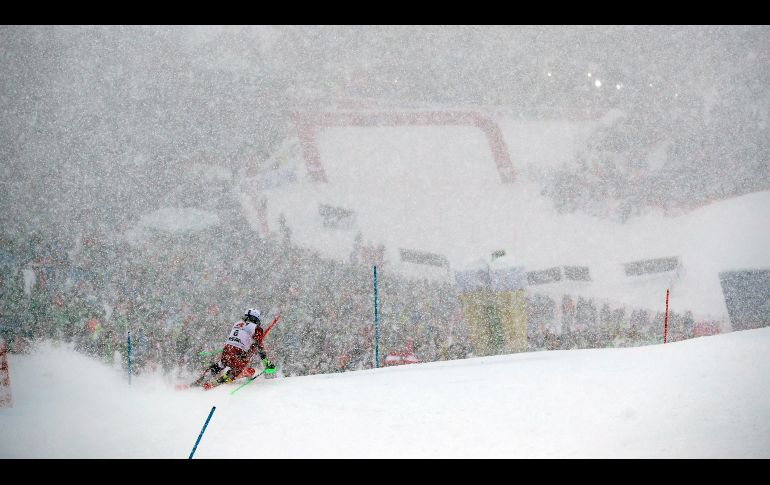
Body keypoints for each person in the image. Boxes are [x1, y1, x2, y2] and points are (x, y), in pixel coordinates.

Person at [194, 308, 276, 389]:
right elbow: (259, 346)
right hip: (239, 352)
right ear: (256, 319)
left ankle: (201, 379)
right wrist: (266, 363)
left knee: (221, 363)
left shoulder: (237, 323)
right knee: (237, 368)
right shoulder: (257, 328)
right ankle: (221, 381)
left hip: (227, 349)